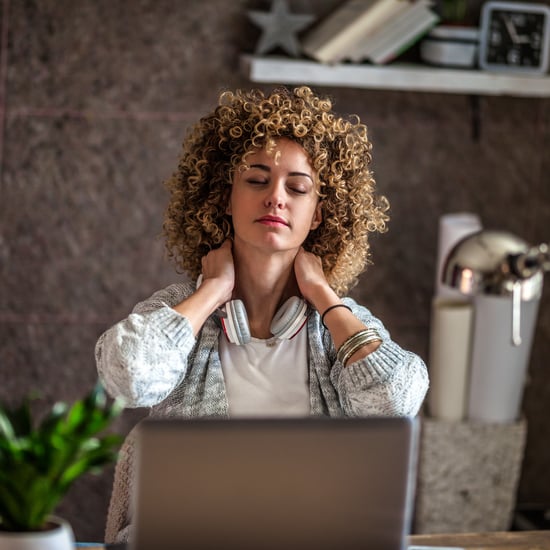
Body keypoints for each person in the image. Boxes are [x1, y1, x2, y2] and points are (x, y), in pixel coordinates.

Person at [96, 85, 429, 543]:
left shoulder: (338, 324)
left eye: (298, 187)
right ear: (224, 197)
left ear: (317, 215)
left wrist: (324, 297)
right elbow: (126, 375)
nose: (276, 198)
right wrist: (212, 291)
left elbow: (396, 404)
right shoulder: (180, 311)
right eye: (256, 180)